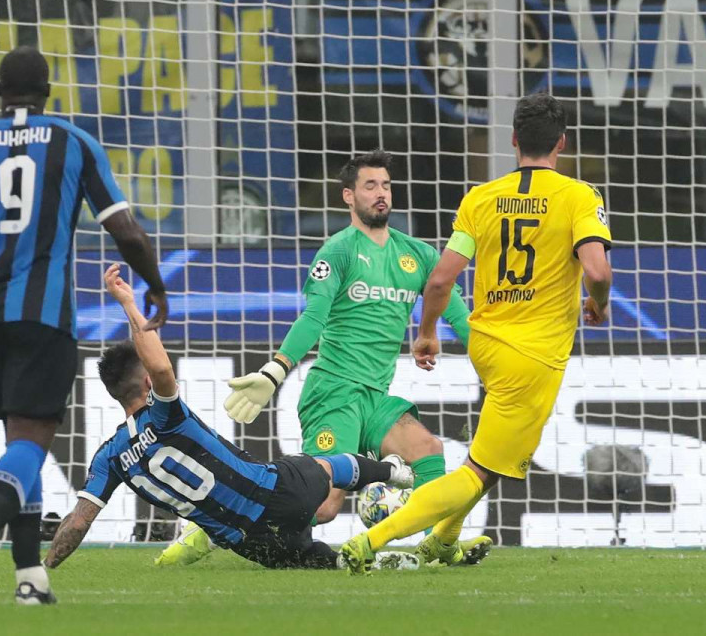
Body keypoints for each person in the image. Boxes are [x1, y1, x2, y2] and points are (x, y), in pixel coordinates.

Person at [0, 46, 168, 606]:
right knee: (33, 440)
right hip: (46, 314)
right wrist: (154, 282)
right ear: (48, 93)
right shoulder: (73, 142)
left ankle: (30, 577)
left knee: (18, 442)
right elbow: (126, 231)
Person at [167, 150, 486, 567]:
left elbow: (459, 315)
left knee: (427, 449)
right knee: (324, 506)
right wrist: (275, 369)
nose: (381, 193)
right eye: (370, 186)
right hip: (334, 392)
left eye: (386, 185)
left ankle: (437, 546)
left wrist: (492, 366)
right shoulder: (337, 252)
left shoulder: (419, 255)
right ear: (348, 197)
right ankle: (212, 524)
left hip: (375, 396)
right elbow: (313, 317)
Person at [340, 93, 613, 574]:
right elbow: (597, 270)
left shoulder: (480, 198)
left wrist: (427, 331)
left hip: (486, 343)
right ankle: (370, 542)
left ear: (513, 140)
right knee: (479, 470)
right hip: (531, 355)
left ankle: (443, 541)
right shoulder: (580, 197)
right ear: (562, 143)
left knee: (491, 455)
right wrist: (599, 302)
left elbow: (440, 280)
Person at [43, 265, 417, 572]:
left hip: (246, 543)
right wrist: (128, 303)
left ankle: (369, 563)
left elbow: (79, 521)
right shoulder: (165, 415)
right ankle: (395, 472)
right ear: (147, 384)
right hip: (275, 493)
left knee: (310, 558)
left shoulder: (109, 456)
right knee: (327, 466)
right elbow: (160, 368)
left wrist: (46, 566)